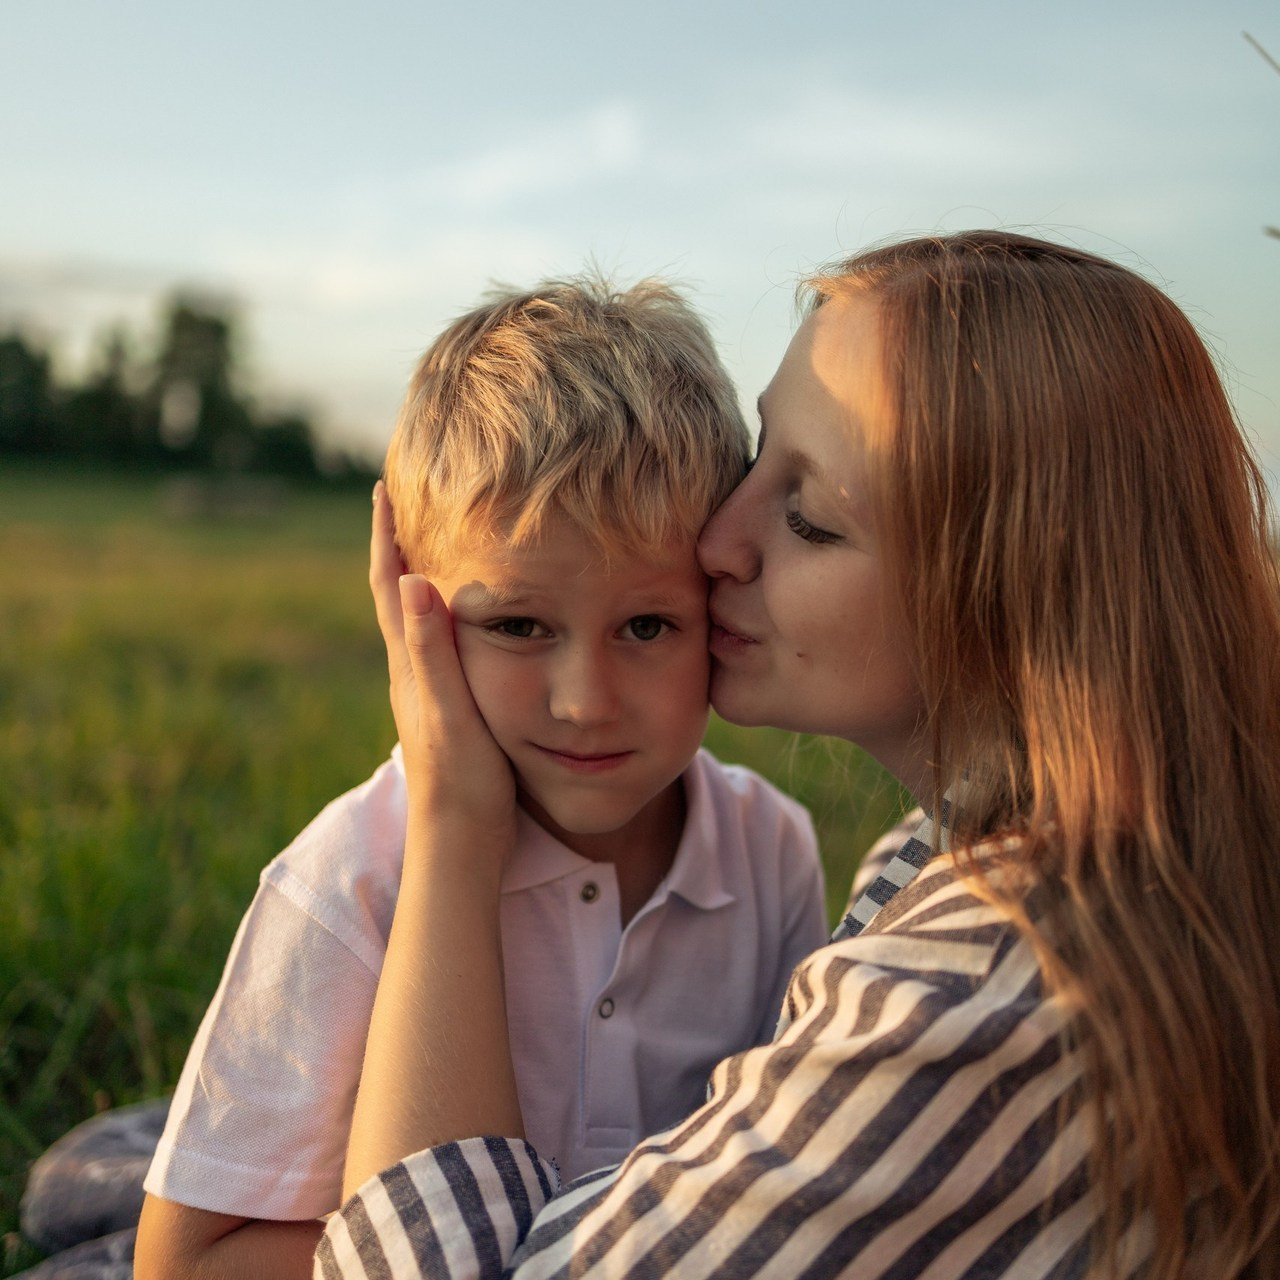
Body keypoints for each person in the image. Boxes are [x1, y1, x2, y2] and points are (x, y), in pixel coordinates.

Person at [317, 231, 1280, 1280]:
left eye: (808, 516)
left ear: (1007, 596)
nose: (715, 539)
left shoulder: (985, 993)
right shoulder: (990, 854)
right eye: (754, 459)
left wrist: (455, 820)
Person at [133, 277, 827, 1279]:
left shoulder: (771, 853)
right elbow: (184, 1262)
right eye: (516, 624)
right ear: (412, 608)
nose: (584, 699)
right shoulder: (353, 873)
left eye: (646, 625)